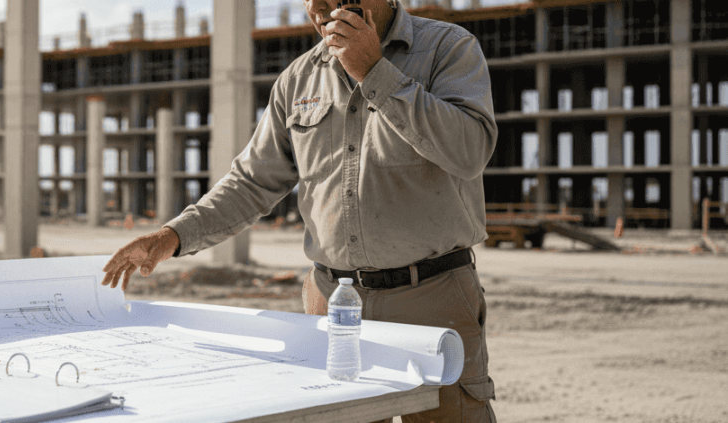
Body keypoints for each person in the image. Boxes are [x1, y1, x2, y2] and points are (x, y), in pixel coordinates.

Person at [100, 0, 497, 421]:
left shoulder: (447, 48)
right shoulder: (298, 78)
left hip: (431, 298)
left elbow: (469, 151)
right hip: (332, 305)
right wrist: (173, 236)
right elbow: (251, 183)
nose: (321, 13)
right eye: (313, 3)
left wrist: (374, 71)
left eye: (333, 0)